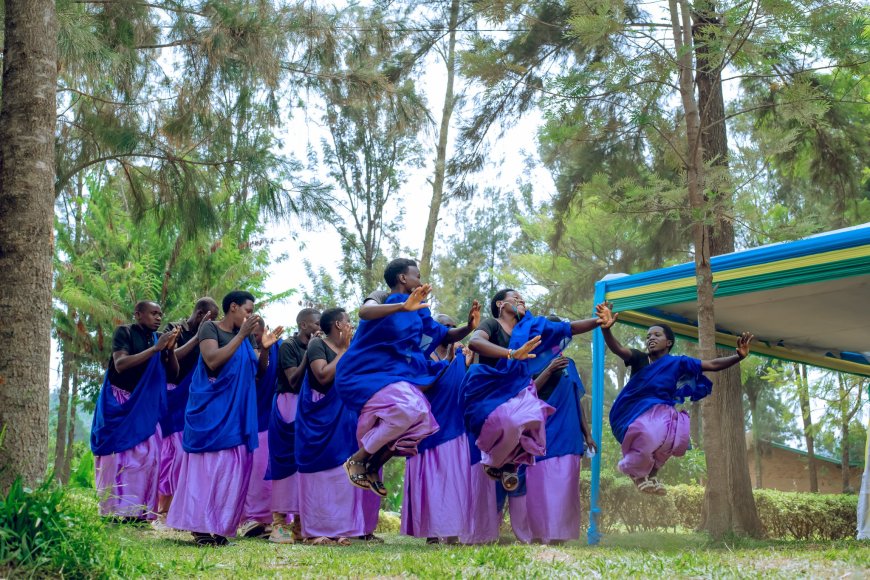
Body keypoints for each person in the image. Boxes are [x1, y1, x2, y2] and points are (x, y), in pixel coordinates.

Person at [335, 258, 480, 496]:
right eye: (417, 276)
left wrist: (469, 327)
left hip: (395, 375)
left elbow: (443, 334)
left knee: (420, 419)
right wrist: (402, 307)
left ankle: (371, 465)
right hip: (364, 374)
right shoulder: (382, 297)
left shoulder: (420, 310)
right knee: (411, 407)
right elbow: (364, 312)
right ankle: (358, 458)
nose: (421, 281)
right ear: (403, 278)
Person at [463, 290, 611, 493]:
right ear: (500, 304)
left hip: (516, 390)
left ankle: (508, 464)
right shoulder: (492, 324)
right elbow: (475, 342)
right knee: (508, 421)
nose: (521, 300)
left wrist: (598, 321)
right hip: (488, 392)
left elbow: (569, 327)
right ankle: (495, 461)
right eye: (515, 297)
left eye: (522, 298)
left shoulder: (531, 328)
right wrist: (512, 353)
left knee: (532, 416)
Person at [167, 291, 282, 546]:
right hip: (211, 411)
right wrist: (241, 336)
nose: (251, 316)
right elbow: (212, 361)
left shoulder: (245, 337)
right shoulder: (211, 328)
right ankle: (199, 527)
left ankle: (218, 526)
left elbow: (257, 373)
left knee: (230, 469)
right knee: (207, 470)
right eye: (248, 310)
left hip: (237, 413)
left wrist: (264, 350)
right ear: (233, 307)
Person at [600, 304, 752, 494]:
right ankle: (638, 476)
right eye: (648, 336)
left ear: (668, 342)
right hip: (630, 413)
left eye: (657, 335)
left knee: (677, 431)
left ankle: (652, 474)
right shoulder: (639, 358)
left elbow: (712, 364)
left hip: (660, 413)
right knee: (648, 433)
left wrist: (738, 356)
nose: (651, 338)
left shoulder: (678, 363)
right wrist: (606, 329)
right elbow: (617, 348)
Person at [296, 307, 380, 545]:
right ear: (338, 325)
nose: (351, 325)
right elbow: (322, 375)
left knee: (341, 470)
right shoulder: (318, 345)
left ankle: (341, 528)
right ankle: (315, 532)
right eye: (348, 321)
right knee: (319, 474)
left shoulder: (352, 349)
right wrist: (344, 350)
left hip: (345, 417)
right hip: (319, 418)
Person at [91, 300, 179, 521]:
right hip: (120, 402)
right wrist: (155, 349)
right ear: (138, 314)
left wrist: (169, 350)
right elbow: (120, 364)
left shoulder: (159, 338)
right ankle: (112, 511)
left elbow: (173, 374)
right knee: (117, 459)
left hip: (145, 407)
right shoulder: (125, 332)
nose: (158, 317)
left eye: (160, 314)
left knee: (148, 457)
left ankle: (137, 512)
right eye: (153, 313)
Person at [507, 346, 596, 544]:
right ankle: (537, 533)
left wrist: (588, 434)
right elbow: (526, 394)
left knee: (565, 486)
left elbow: (576, 400)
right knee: (539, 485)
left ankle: (558, 535)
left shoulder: (569, 364)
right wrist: (549, 369)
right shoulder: (530, 363)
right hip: (541, 432)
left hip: (568, 433)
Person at [401, 314, 474, 544]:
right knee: (431, 480)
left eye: (453, 326)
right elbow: (418, 386)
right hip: (428, 426)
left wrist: (463, 365)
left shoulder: (461, 356)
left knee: (454, 480)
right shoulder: (421, 354)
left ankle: (453, 532)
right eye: (445, 325)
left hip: (454, 426)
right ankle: (432, 532)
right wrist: (447, 363)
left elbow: (463, 388)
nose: (450, 329)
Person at [153, 297, 219, 531]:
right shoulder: (174, 328)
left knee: (187, 455)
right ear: (200, 314)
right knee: (172, 454)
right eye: (211, 318)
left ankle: (179, 511)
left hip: (193, 398)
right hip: (172, 396)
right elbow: (170, 357)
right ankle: (162, 510)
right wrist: (198, 337)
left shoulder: (210, 335)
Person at [265, 308, 320, 544]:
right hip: (288, 404)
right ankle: (279, 524)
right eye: (316, 323)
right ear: (304, 325)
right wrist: (310, 353)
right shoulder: (289, 346)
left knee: (304, 466)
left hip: (308, 406)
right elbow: (293, 381)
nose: (320, 327)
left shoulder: (320, 345)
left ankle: (299, 525)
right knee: (285, 465)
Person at [238, 318, 285, 538]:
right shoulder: (239, 348)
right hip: (247, 416)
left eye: (257, 333)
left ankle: (269, 519)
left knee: (266, 471)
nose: (254, 337)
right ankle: (249, 518)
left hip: (270, 416)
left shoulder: (278, 347)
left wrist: (266, 349)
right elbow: (257, 374)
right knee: (252, 471)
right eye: (251, 334)